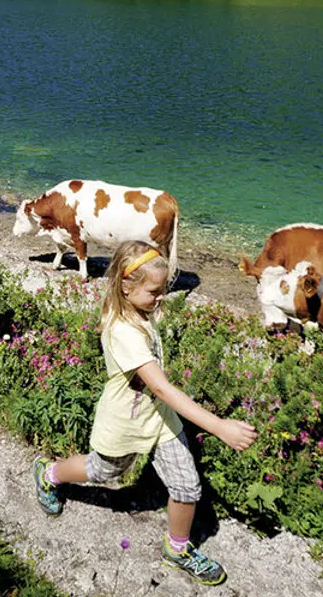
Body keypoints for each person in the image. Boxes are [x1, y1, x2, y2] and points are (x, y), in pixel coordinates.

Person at [31, 240, 257, 587]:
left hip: (161, 418)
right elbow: (163, 387)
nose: (161, 298)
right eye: (154, 291)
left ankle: (177, 549)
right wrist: (219, 427)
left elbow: (162, 392)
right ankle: (50, 474)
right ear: (126, 286)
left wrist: (152, 298)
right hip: (125, 420)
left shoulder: (140, 311)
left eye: (164, 290)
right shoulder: (123, 330)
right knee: (102, 470)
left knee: (186, 485)